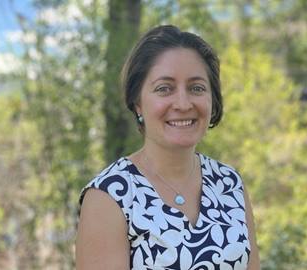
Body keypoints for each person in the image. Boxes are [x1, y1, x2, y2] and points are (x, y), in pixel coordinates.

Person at [76, 25, 260, 270]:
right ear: (138, 102)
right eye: (164, 88)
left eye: (196, 88)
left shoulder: (229, 183)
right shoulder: (111, 196)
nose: (183, 103)